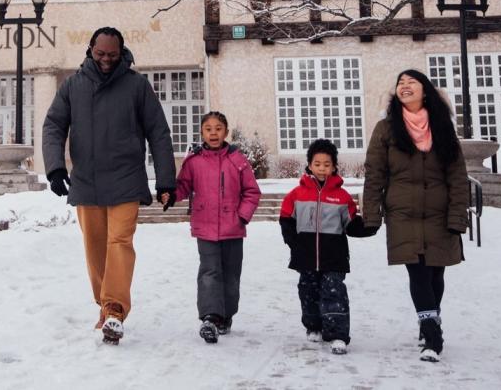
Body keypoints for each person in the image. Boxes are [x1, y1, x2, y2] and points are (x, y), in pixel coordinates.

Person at [42, 27, 177, 345]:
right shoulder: (73, 86)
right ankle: (104, 306)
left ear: (122, 53)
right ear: (90, 50)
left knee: (120, 242)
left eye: (112, 56)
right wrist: (55, 168)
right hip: (87, 181)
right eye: (100, 54)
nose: (106, 60)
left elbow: (158, 132)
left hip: (126, 179)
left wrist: (166, 180)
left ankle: (115, 310)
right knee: (95, 247)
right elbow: (54, 126)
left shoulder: (136, 86)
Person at [361, 69, 470, 363]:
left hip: (439, 212)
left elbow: (458, 176)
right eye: (400, 83)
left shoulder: (442, 127)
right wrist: (370, 215)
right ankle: (432, 333)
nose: (404, 86)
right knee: (418, 271)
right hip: (403, 214)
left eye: (412, 82)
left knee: (436, 272)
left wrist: (458, 215)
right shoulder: (386, 129)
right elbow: (374, 174)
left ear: (426, 91)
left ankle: (429, 320)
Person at [172, 111, 262, 344]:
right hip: (206, 226)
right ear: (201, 132)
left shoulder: (237, 160)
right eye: (208, 129)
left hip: (233, 228)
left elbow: (252, 192)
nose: (213, 133)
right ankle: (210, 317)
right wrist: (170, 194)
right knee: (210, 271)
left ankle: (226, 314)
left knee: (231, 275)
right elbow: (183, 186)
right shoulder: (194, 161)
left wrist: (241, 217)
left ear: (226, 132)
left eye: (218, 128)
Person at [279, 138, 369, 355]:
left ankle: (338, 334)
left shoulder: (341, 196)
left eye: (326, 164)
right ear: (309, 165)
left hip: (334, 256)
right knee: (308, 291)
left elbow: (351, 223)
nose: (322, 168)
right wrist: (294, 243)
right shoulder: (297, 194)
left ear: (334, 167)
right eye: (317, 164)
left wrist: (370, 226)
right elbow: (286, 219)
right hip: (306, 255)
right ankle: (314, 326)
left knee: (334, 293)